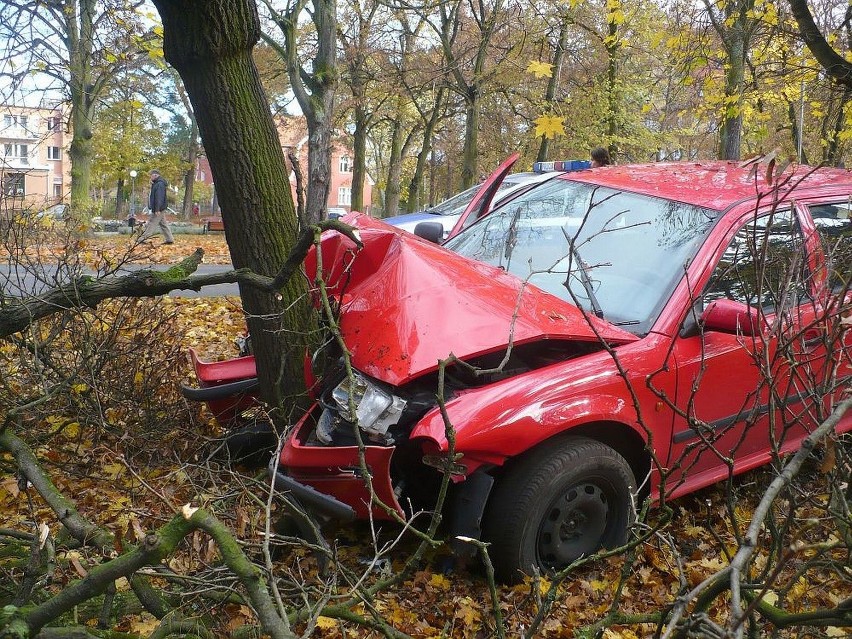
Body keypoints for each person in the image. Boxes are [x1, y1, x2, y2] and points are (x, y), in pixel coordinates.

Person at [139, 169, 174, 244]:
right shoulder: (157, 184)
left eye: (151, 176)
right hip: (159, 208)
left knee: (152, 223)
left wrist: (157, 209)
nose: (150, 177)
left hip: (158, 208)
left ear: (155, 175)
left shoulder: (159, 184)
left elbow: (159, 197)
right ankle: (170, 239)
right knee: (163, 224)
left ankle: (143, 239)